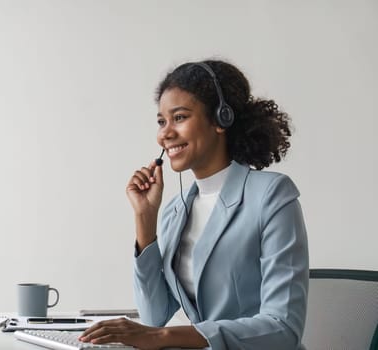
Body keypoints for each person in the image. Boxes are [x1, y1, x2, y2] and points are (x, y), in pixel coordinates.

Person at [80, 59, 309, 350]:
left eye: (180, 117)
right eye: (162, 121)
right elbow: (154, 318)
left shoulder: (271, 195)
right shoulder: (175, 211)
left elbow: (283, 327)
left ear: (220, 120)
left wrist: (163, 338)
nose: (165, 134)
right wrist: (145, 222)